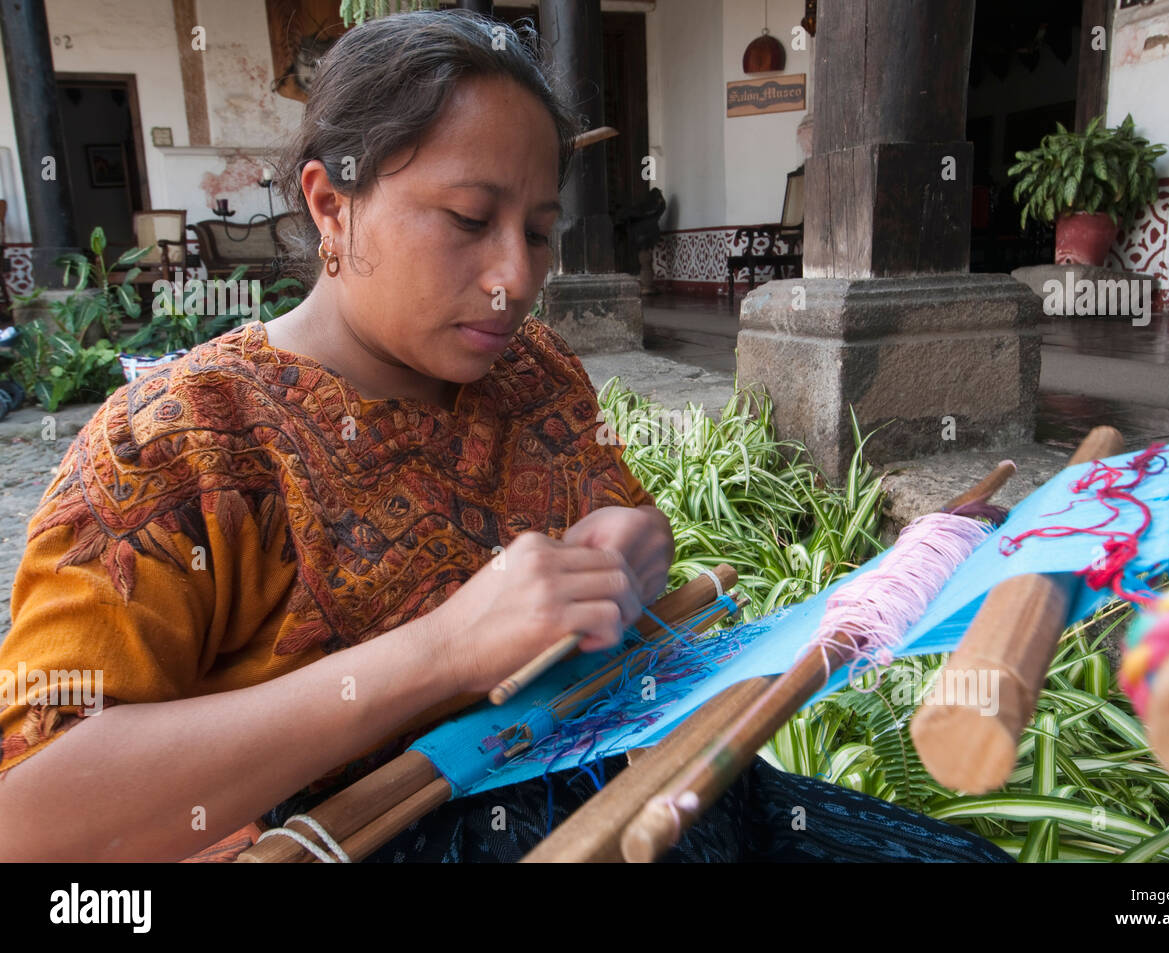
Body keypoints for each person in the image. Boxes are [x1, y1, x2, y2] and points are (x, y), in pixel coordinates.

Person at [0, 10, 1010, 863]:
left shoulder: (529, 373)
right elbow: (33, 811)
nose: (515, 277)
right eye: (469, 218)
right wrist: (437, 652)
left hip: (652, 790)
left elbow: (623, 522)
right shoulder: (177, 444)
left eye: (536, 228)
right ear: (329, 204)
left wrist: (635, 548)